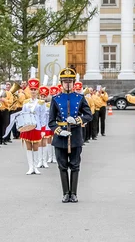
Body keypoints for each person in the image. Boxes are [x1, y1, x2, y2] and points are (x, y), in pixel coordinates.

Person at [49, 68, 93, 203]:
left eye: (70, 81)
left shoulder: (80, 98)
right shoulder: (56, 99)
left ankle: (73, 193)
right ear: (61, 83)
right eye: (65, 81)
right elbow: (51, 121)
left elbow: (88, 115)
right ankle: (65, 193)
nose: (68, 84)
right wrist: (59, 130)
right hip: (60, 136)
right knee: (62, 165)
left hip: (75, 135)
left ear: (74, 83)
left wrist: (78, 120)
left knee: (75, 165)